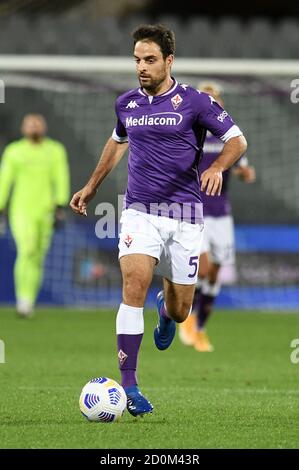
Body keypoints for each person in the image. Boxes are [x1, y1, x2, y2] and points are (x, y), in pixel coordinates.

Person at [70, 24, 247, 417]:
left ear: (169, 61)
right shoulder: (127, 104)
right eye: (137, 60)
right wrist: (92, 186)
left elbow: (237, 140)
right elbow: (117, 142)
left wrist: (217, 167)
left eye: (150, 60)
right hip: (139, 212)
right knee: (133, 285)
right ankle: (129, 385)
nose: (142, 67)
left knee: (183, 309)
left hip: (185, 215)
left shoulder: (196, 102)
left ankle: (167, 312)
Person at [179, 82, 256, 352]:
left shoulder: (227, 138)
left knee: (215, 274)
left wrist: (245, 173)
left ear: (220, 104)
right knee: (204, 266)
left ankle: (200, 328)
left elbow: (244, 168)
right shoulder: (189, 134)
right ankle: (186, 318)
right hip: (195, 211)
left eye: (214, 99)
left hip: (221, 215)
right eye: (205, 98)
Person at [0, 114, 70, 317]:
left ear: (44, 126)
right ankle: (22, 299)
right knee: (27, 249)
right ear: (23, 128)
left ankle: (28, 301)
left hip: (46, 210)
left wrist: (60, 203)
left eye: (37, 123)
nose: (34, 126)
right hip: (21, 210)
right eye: (30, 123)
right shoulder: (15, 151)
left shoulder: (55, 150)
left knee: (38, 257)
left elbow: (61, 175)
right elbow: (5, 179)